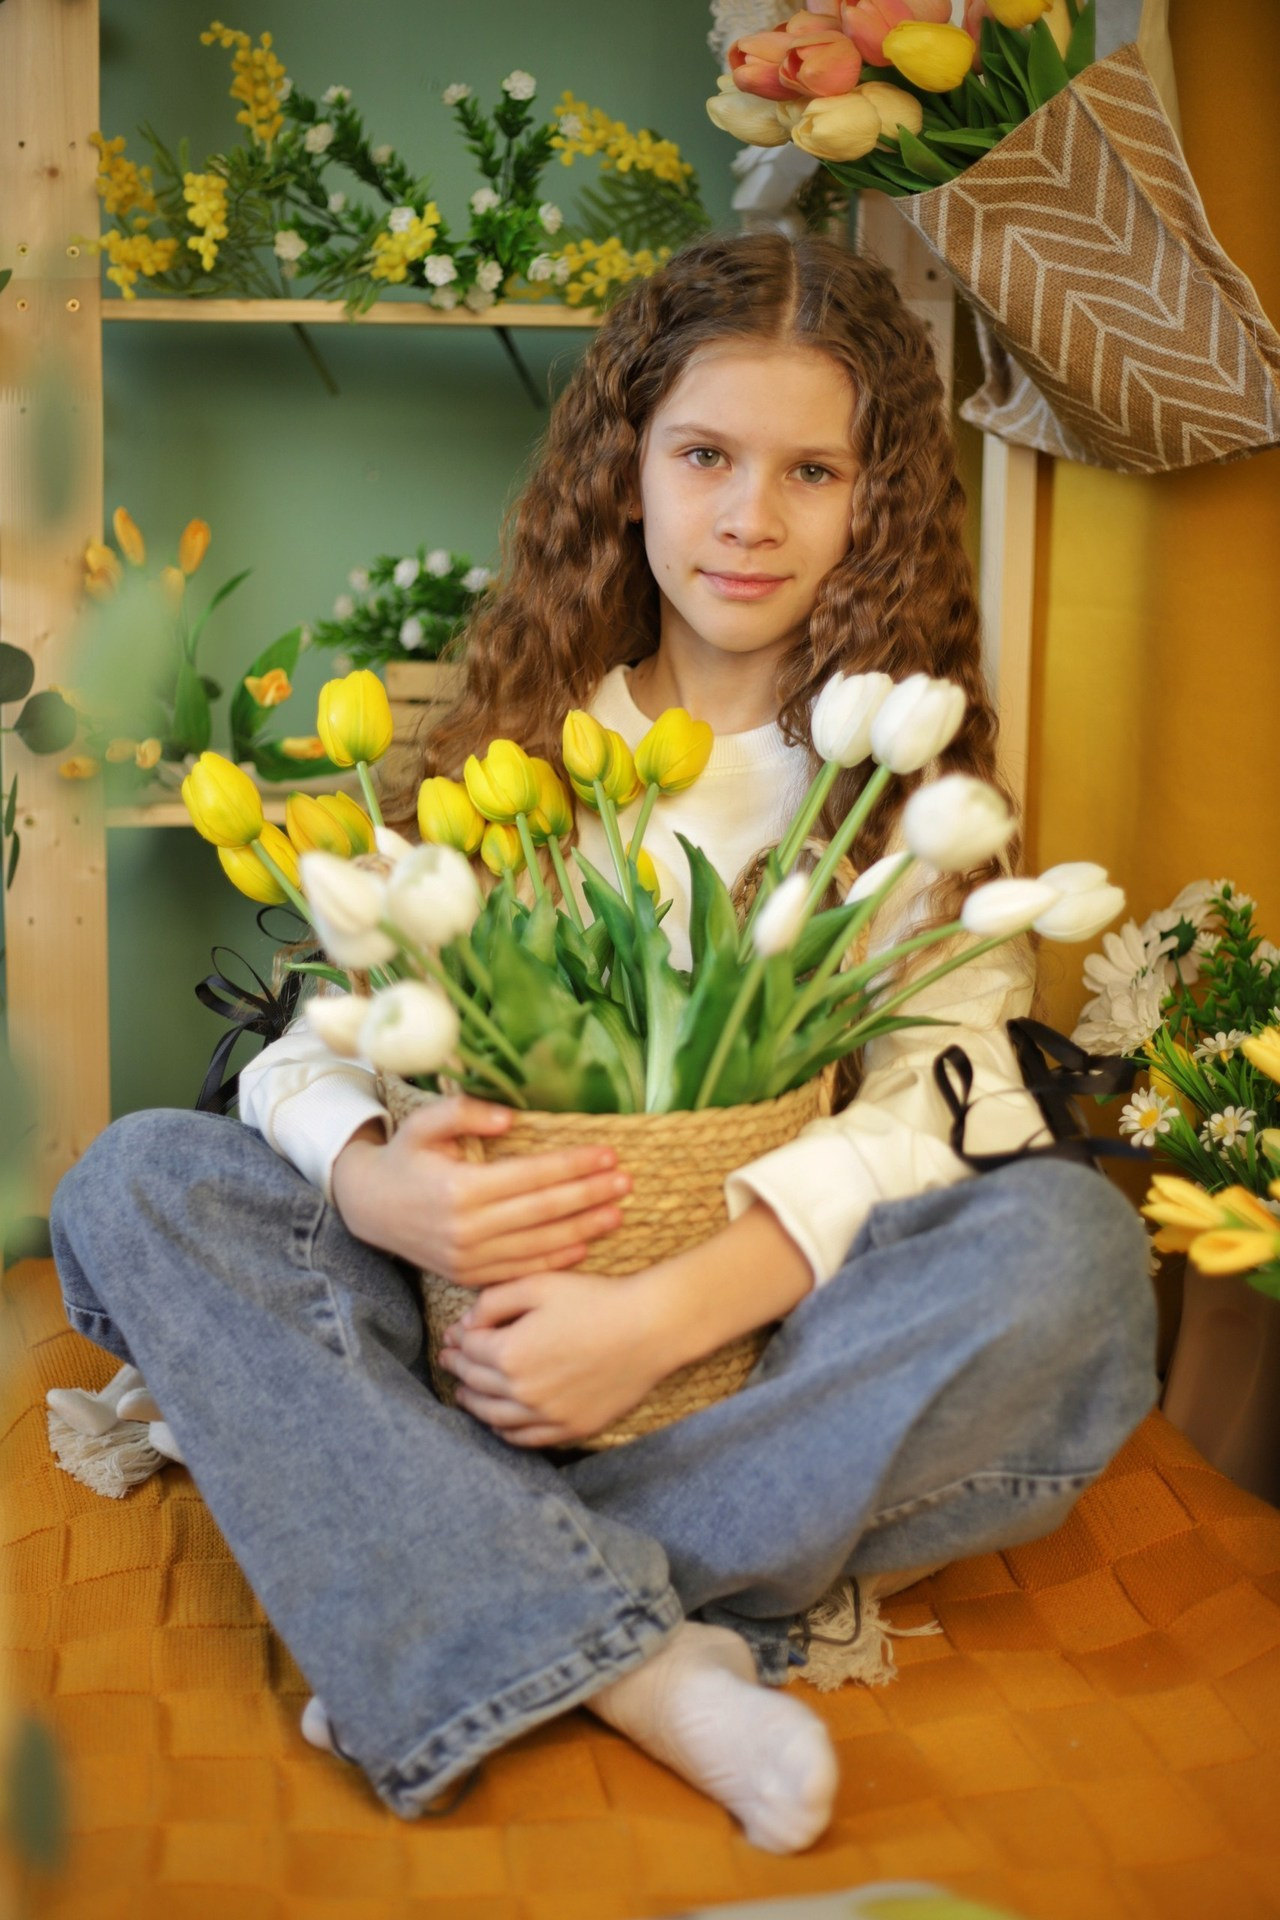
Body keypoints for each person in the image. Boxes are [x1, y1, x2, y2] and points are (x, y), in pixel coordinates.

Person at [49, 230, 1156, 1854]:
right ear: (625, 468)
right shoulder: (528, 744)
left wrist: (655, 1326)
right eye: (705, 454)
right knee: (142, 1178)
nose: (748, 517)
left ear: (877, 505)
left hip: (741, 1365)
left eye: (812, 471)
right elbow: (310, 1037)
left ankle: (439, 1584)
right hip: (475, 1333)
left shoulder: (896, 799)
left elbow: (940, 1099)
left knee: (1072, 1250)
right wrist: (374, 1190)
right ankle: (647, 1663)